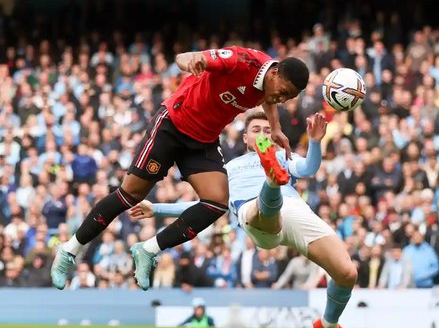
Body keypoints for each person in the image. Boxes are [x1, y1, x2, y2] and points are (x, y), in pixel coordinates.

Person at [50, 47, 310, 291]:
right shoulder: (241, 61)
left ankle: (148, 249)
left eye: (290, 97)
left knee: (217, 201)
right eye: (284, 91)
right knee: (130, 195)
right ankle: (70, 249)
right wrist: (193, 62)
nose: (283, 99)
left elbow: (269, 99)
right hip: (173, 125)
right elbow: (184, 57)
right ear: (274, 72)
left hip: (204, 140)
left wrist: (275, 127)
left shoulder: (269, 85)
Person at [130, 111, 360, 328]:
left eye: (267, 131)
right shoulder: (228, 169)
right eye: (256, 130)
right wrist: (156, 208)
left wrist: (314, 141)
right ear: (245, 137)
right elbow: (202, 205)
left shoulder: (283, 156)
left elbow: (310, 168)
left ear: (273, 137)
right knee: (263, 210)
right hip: (253, 213)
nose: (262, 134)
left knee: (347, 273)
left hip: (294, 210)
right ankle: (271, 180)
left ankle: (329, 324)